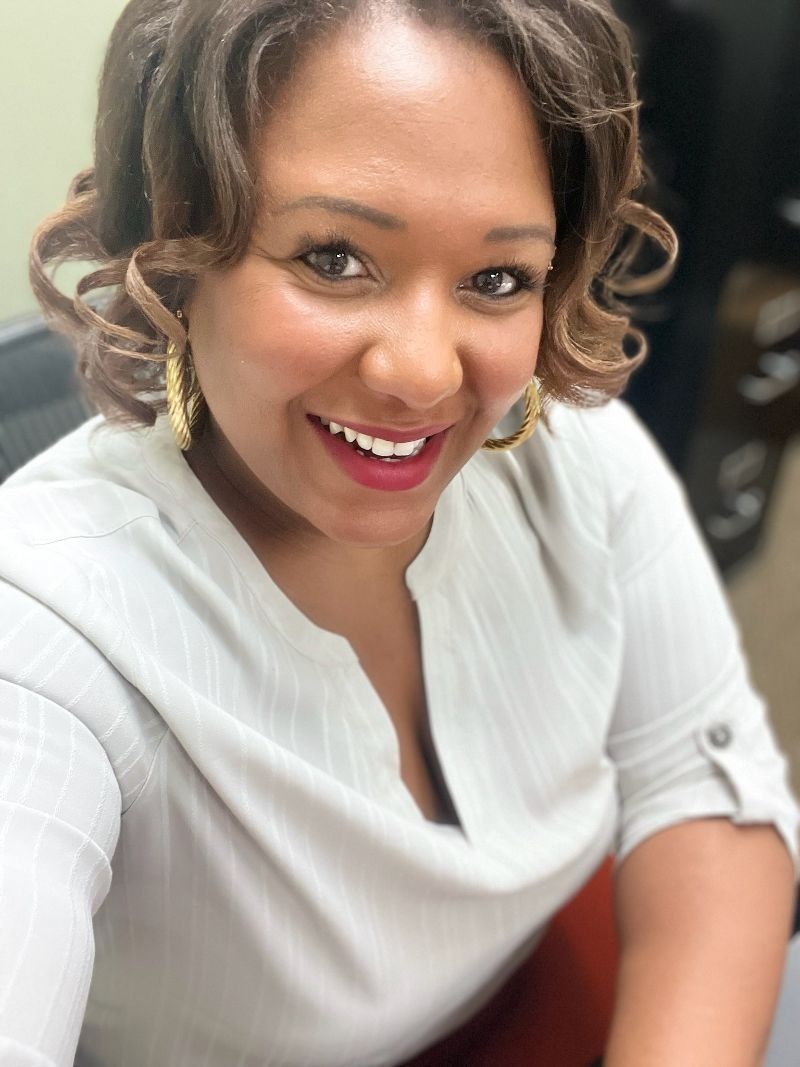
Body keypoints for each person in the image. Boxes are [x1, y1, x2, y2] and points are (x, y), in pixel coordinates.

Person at [2, 1, 797, 1064]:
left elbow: (699, 782)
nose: (426, 373)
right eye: (333, 257)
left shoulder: (565, 449)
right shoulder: (43, 648)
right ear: (179, 247)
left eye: (496, 278)